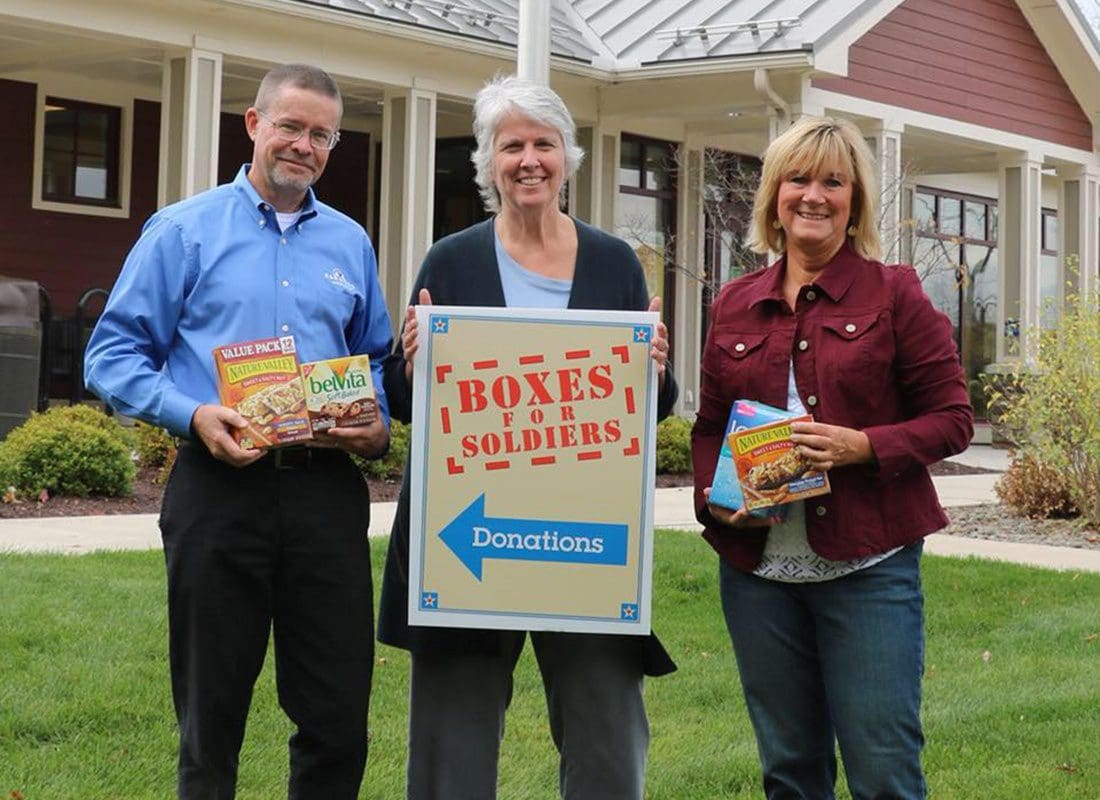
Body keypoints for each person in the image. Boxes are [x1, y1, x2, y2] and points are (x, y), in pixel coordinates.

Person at [84, 64, 392, 799]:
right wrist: (190, 413)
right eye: (290, 126)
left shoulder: (351, 243)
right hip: (218, 492)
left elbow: (374, 359)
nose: (303, 145)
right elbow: (112, 355)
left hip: (325, 499)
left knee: (338, 718)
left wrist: (373, 423)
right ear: (254, 125)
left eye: (321, 134)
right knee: (210, 717)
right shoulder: (183, 230)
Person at [377, 75, 679, 800]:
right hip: (469, 541)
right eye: (511, 145)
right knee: (452, 746)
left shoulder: (613, 262)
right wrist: (414, 360)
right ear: (488, 163)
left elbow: (651, 405)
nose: (529, 159)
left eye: (544, 143)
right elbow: (404, 398)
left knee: (606, 738)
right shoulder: (450, 260)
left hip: (583, 537)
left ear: (567, 157)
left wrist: (655, 368)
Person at [691, 115, 973, 800]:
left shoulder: (895, 293)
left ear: (855, 203)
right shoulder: (735, 301)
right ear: (774, 196)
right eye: (798, 179)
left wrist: (864, 446)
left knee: (883, 772)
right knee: (790, 771)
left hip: (868, 568)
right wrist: (719, 501)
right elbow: (708, 430)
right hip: (758, 574)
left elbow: (954, 419)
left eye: (833, 182)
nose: (813, 195)